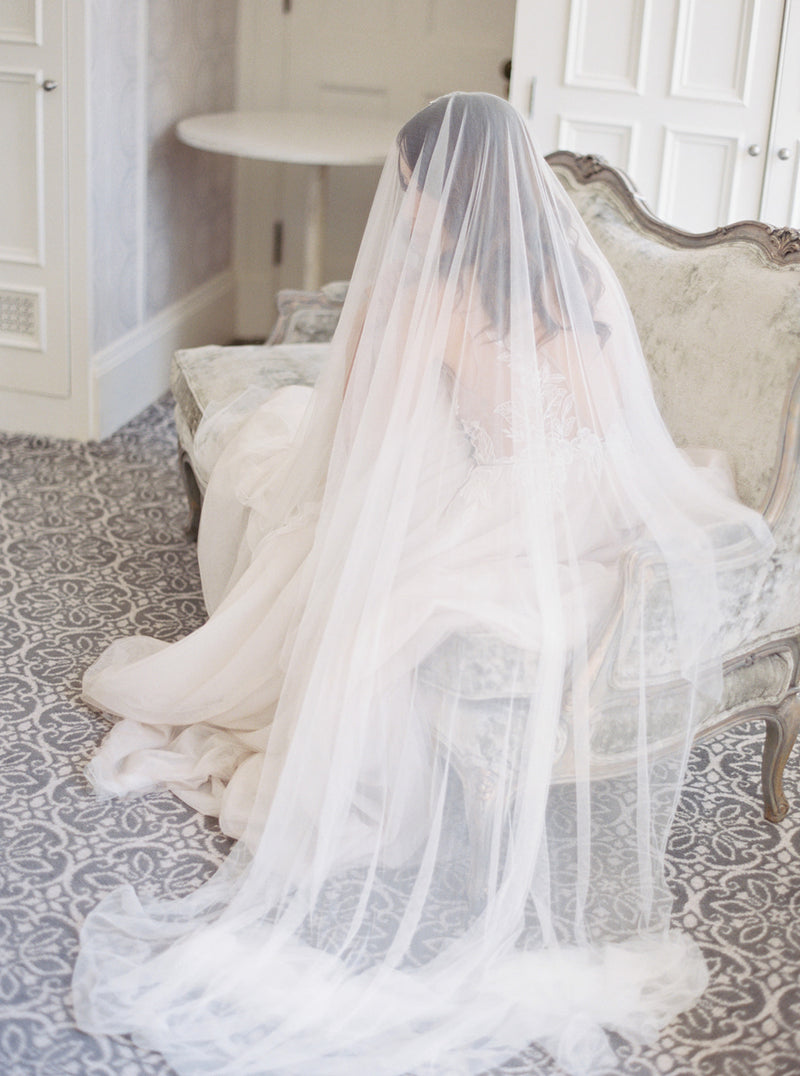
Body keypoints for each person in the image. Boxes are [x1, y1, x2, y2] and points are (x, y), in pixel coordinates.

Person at [73, 93, 772, 1075]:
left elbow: (368, 428)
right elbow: (605, 422)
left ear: (431, 189)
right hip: (591, 504)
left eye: (406, 182)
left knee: (323, 548)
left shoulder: (436, 299)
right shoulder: (572, 272)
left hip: (496, 505)